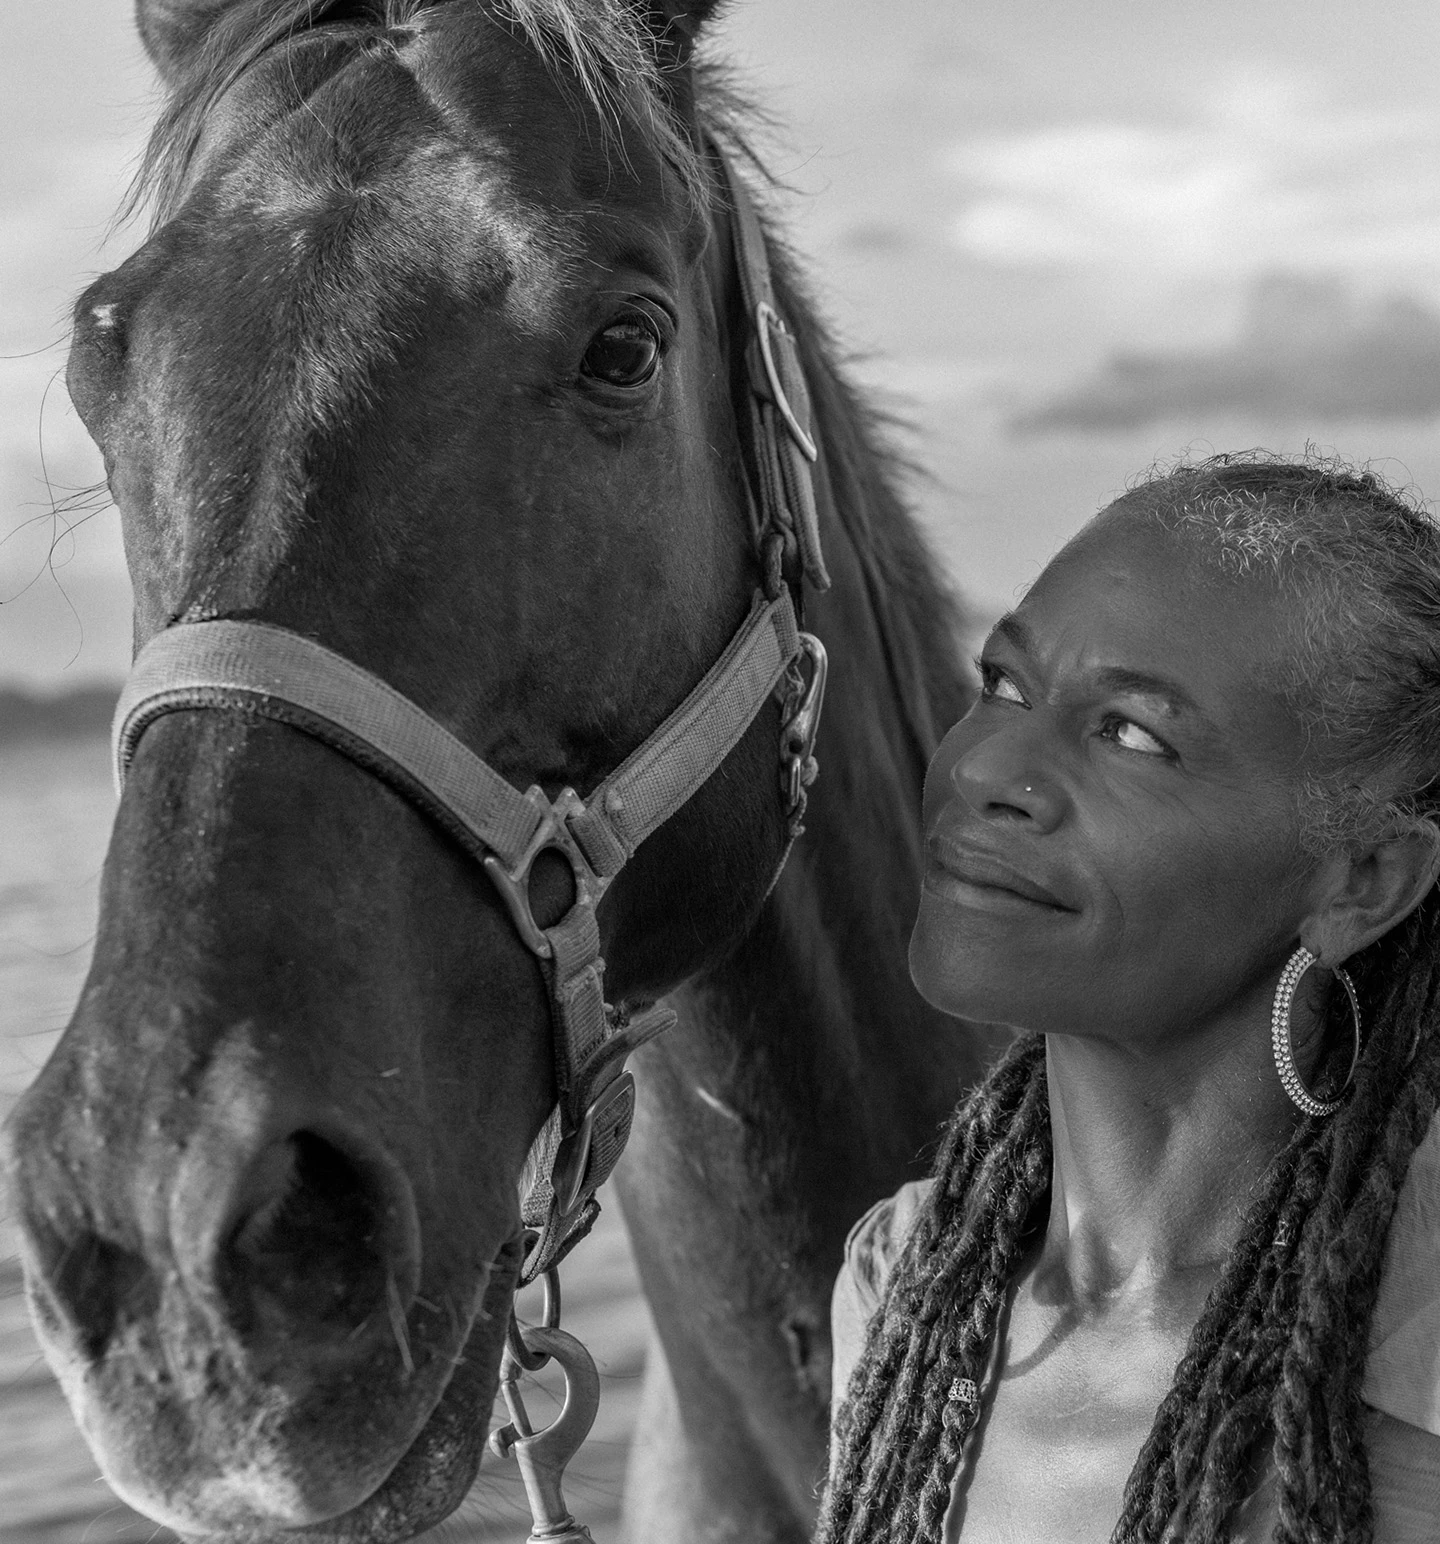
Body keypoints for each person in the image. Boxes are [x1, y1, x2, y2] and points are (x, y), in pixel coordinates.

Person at [818, 454, 1440, 1544]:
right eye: (1003, 686)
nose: (987, 771)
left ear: (1363, 881)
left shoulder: (1413, 1339)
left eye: (1131, 735)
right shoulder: (907, 1287)